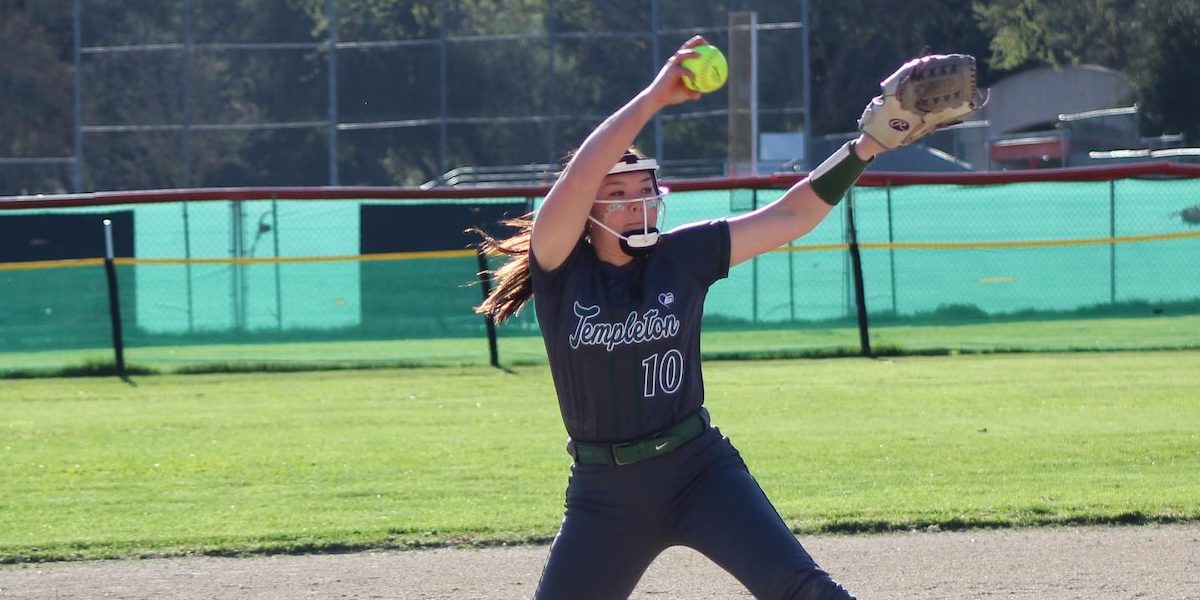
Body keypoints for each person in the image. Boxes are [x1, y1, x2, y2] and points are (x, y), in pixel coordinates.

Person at [474, 35, 979, 600]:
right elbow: (579, 175)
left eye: (644, 189)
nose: (637, 202)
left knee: (804, 590)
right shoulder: (560, 268)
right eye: (617, 193)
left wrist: (865, 147)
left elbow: (791, 215)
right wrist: (654, 98)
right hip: (604, 495)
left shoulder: (683, 256)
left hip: (699, 470)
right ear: (587, 211)